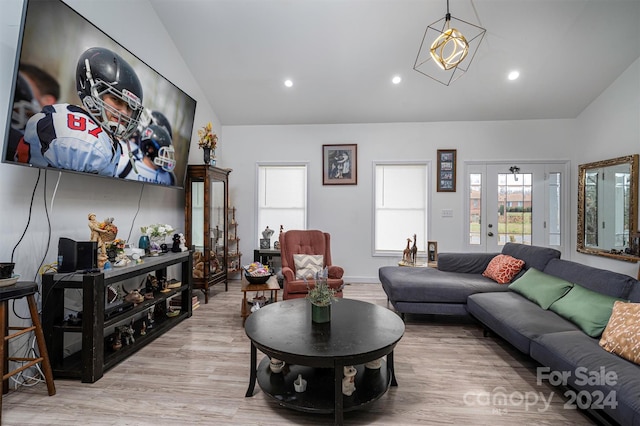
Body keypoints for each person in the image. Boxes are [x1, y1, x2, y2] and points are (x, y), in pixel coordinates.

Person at [15, 47, 144, 176]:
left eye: (130, 107)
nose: (125, 112)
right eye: (116, 100)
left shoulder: (73, 117)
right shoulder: (85, 142)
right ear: (92, 91)